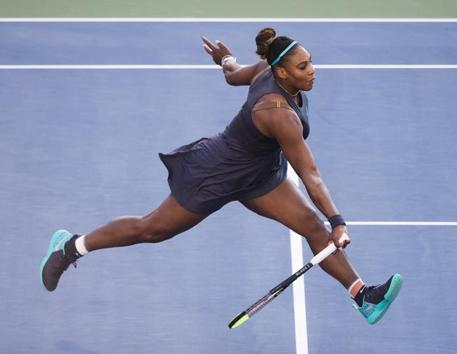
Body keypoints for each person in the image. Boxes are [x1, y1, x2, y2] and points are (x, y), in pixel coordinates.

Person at [40, 28, 402, 325]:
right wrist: (338, 220)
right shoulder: (279, 114)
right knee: (151, 229)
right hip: (216, 172)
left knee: (312, 226)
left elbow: (232, 75)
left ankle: (363, 296)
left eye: (311, 63)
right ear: (281, 73)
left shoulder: (266, 69)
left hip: (258, 174)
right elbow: (311, 174)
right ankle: (70, 246)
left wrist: (225, 59)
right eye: (304, 66)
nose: (312, 71)